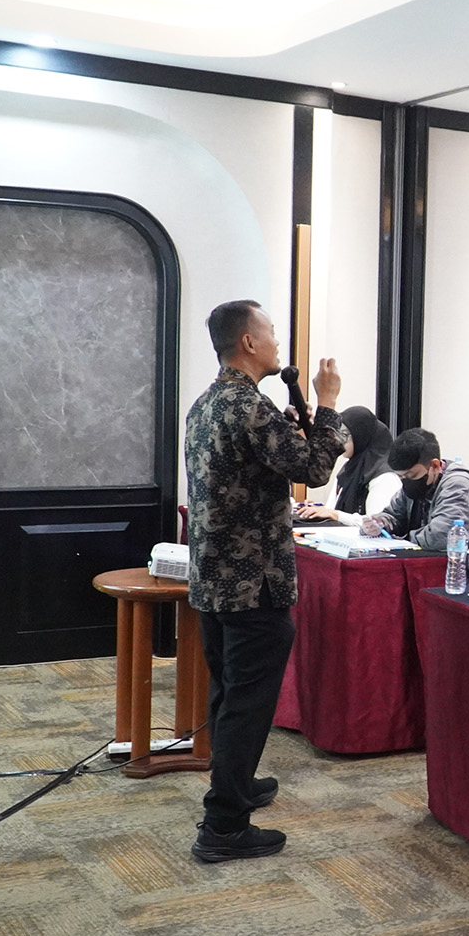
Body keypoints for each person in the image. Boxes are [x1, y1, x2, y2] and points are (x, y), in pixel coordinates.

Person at [184, 299, 345, 862]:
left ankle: (237, 784)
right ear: (249, 343)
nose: (278, 341)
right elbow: (315, 470)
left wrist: (300, 427)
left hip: (214, 580)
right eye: (271, 332)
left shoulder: (206, 403)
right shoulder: (250, 406)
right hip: (254, 583)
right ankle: (223, 826)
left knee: (229, 692)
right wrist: (328, 404)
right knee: (248, 704)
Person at [362, 428, 469, 580]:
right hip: (435, 574)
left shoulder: (457, 485)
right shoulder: (413, 484)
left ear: (435, 466)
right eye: (401, 477)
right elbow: (393, 515)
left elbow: (441, 535)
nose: (406, 481)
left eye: (411, 475)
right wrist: (379, 524)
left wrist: (401, 540)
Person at [296, 406, 397, 525]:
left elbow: (377, 524)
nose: (340, 442)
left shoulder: (384, 476)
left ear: (361, 436)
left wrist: (334, 514)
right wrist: (316, 510)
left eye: (344, 435)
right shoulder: (348, 470)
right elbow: (332, 509)